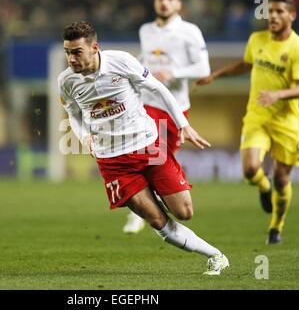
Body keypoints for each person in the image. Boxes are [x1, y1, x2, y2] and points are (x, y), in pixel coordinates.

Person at [58, 21, 229, 275]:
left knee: (184, 212)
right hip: (112, 160)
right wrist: (84, 137)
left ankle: (156, 191)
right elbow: (72, 113)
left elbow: (158, 88)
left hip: (148, 146)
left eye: (77, 52)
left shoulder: (122, 62)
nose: (71, 59)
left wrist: (183, 124)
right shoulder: (66, 81)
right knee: (157, 220)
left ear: (94, 48)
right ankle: (215, 256)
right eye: (67, 52)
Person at [195, 0, 299, 244]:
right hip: (257, 117)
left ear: (292, 15)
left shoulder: (298, 48)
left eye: (280, 11)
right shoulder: (256, 39)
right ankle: (263, 186)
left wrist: (278, 94)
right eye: (271, 11)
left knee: (283, 179)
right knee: (249, 170)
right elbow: (245, 65)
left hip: (286, 122)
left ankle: (276, 227)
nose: (273, 16)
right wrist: (215, 75)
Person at [123, 0, 211, 234]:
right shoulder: (146, 30)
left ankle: (153, 206)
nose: (164, 2)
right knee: (149, 157)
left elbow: (203, 67)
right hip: (147, 103)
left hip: (175, 106)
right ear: (155, 2)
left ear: (179, 4)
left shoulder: (189, 31)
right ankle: (139, 211)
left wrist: (175, 73)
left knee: (161, 159)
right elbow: (146, 59)